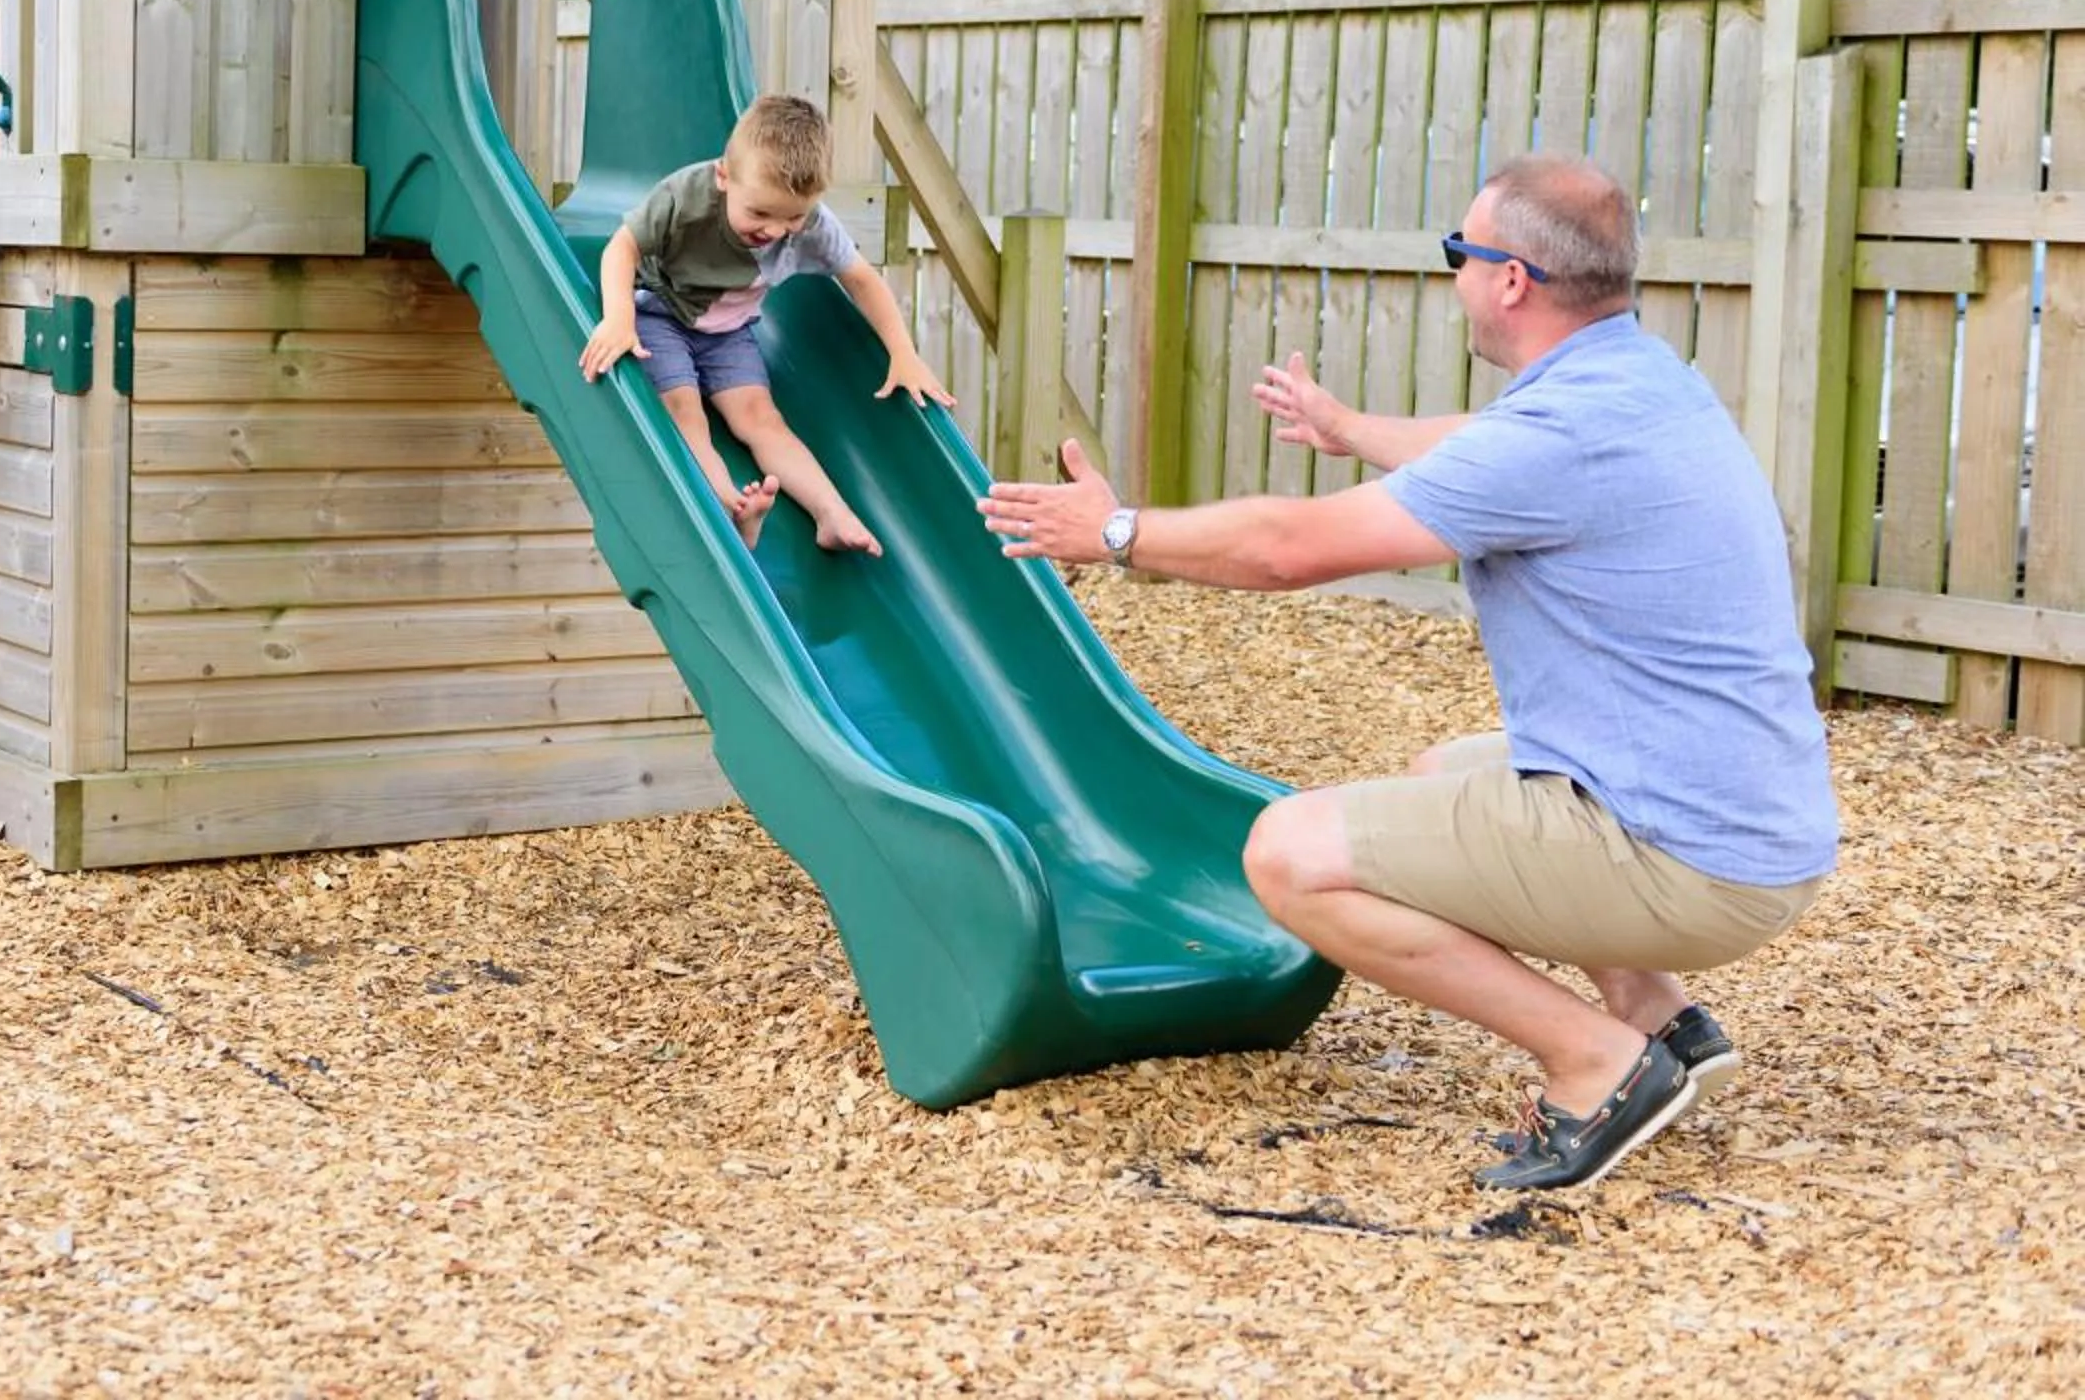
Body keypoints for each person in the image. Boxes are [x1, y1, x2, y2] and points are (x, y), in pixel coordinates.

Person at [976, 154, 1837, 1193]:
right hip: (1750, 816)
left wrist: (1113, 530)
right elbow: (1482, 440)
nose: (1456, 275)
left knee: (1287, 854)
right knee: (1444, 773)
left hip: (1690, 859)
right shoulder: (1637, 380)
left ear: (1510, 279)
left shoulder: (1556, 434)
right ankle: (1659, 1018)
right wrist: (1348, 431)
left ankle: (1597, 1063)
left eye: (1459, 253)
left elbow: (1289, 549)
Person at [580, 93, 954, 553]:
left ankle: (830, 514)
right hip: (661, 314)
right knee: (683, 407)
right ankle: (726, 506)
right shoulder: (687, 197)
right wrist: (619, 319)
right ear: (724, 176)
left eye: (793, 216)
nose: (775, 230)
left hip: (729, 334)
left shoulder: (814, 225)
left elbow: (862, 279)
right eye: (759, 213)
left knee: (763, 419)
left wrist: (904, 352)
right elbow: (623, 247)